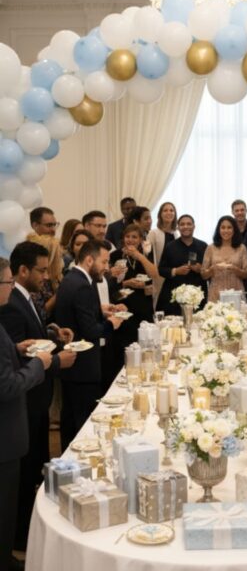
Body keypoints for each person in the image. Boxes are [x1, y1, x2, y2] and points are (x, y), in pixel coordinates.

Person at [0, 242, 75, 557]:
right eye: (42, 270)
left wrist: (31, 344)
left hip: (26, 406)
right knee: (11, 496)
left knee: (24, 481)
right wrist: (47, 362)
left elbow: (15, 348)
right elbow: (6, 382)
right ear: (21, 272)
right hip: (16, 414)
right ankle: (15, 544)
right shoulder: (11, 306)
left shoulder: (20, 301)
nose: (47, 276)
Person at [0, 255, 53, 571]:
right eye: (6, 282)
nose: (10, 287)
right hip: (5, 438)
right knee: (5, 509)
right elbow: (6, 386)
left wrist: (18, 350)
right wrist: (38, 364)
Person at [54, 239, 124, 449]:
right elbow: (91, 331)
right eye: (104, 262)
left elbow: (78, 314)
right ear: (89, 259)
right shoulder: (83, 285)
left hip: (72, 367)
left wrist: (101, 310)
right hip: (83, 367)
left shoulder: (71, 278)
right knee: (82, 423)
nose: (107, 267)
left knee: (70, 418)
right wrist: (113, 323)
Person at [110, 224, 159, 346]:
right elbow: (111, 283)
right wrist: (127, 283)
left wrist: (140, 256)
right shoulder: (115, 255)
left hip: (143, 302)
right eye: (127, 236)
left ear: (141, 239)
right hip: (122, 301)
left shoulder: (146, 253)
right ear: (123, 238)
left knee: (146, 341)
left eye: (134, 237)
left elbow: (154, 274)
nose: (130, 240)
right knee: (125, 341)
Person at [156, 215, 207, 315]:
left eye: (189, 224)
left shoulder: (203, 246)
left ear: (194, 226)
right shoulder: (170, 246)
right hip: (173, 296)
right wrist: (175, 271)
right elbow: (161, 269)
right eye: (182, 224)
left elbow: (209, 270)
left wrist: (200, 269)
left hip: (197, 295)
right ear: (178, 227)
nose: (186, 227)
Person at [202, 216, 247, 303]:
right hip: (215, 292)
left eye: (229, 227)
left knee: (237, 316)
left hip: (236, 291)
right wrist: (212, 269)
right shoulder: (211, 248)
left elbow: (246, 273)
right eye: (223, 227)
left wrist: (236, 269)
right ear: (218, 230)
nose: (226, 230)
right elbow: (203, 274)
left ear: (234, 230)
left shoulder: (241, 248)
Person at [24, 234, 62, 322]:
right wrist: (58, 295)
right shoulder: (34, 280)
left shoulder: (56, 276)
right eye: (58, 256)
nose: (61, 259)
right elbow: (39, 315)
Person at [147, 202, 177, 310]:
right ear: (160, 215)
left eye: (171, 210)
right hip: (158, 276)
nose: (169, 212)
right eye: (165, 210)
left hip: (173, 275)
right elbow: (147, 255)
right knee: (157, 304)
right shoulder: (153, 233)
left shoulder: (176, 233)